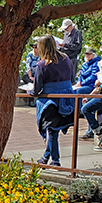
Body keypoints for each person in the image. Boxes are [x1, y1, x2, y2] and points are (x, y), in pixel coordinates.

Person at [32, 35, 74, 167]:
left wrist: (30, 92)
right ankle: (46, 157)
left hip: (52, 100)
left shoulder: (41, 65)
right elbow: (71, 79)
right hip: (68, 97)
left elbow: (37, 89)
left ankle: (55, 160)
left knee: (52, 130)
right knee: (53, 130)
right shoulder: (66, 59)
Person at [75, 47, 101, 139]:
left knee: (78, 91)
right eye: (86, 54)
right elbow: (81, 75)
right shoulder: (84, 64)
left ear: (93, 54)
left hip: (92, 86)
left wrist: (82, 83)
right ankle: (77, 110)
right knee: (73, 90)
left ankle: (81, 110)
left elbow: (93, 77)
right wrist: (79, 82)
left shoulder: (96, 63)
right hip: (84, 85)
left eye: (89, 54)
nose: (87, 55)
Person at [59, 19, 82, 83]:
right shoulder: (66, 34)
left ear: (71, 26)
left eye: (66, 28)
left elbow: (77, 47)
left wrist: (65, 45)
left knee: (71, 78)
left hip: (72, 58)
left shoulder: (77, 33)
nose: (65, 30)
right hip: (65, 58)